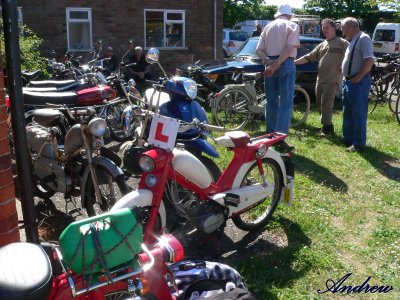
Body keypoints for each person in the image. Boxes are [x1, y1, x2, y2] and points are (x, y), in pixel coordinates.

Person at [255, 4, 300, 150]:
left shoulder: (267, 27)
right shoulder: (292, 26)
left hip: (269, 64)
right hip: (285, 63)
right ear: (289, 15)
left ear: (277, 15)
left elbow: (258, 50)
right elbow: (289, 48)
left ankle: (270, 135)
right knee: (286, 102)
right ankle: (279, 137)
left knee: (271, 101)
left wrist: (270, 63)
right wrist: (277, 64)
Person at [295, 19, 349, 136]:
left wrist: (344, 65)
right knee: (319, 103)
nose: (324, 30)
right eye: (323, 28)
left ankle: (327, 129)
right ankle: (328, 125)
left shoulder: (343, 43)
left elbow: (351, 57)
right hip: (320, 79)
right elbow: (308, 57)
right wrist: (292, 62)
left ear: (334, 28)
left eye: (327, 27)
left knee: (327, 103)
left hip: (333, 79)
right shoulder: (322, 45)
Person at [341, 17, 374, 152]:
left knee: (358, 113)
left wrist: (358, 77)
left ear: (351, 27)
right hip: (349, 81)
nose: (343, 32)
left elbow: (369, 60)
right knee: (348, 112)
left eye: (343, 29)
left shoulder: (363, 38)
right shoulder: (354, 40)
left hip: (358, 82)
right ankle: (348, 139)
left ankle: (358, 143)